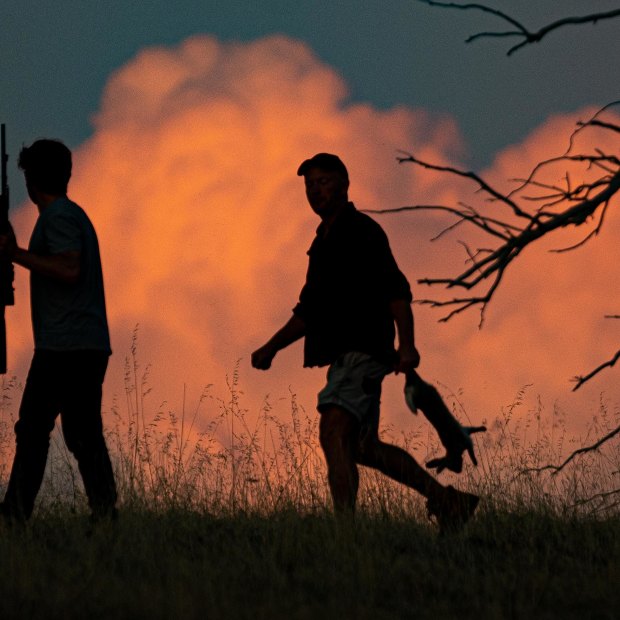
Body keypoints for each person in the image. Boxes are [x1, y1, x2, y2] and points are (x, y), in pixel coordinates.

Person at [252, 153, 478, 531]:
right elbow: (311, 310)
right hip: (350, 356)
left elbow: (396, 291)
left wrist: (407, 345)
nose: (315, 190)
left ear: (344, 184)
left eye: (323, 181)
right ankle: (447, 501)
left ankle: (345, 534)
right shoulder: (324, 240)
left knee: (333, 429)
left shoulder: (360, 231)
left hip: (363, 351)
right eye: (309, 185)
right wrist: (272, 347)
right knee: (361, 447)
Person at [0, 139, 117, 524]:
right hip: (76, 344)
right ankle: (101, 514)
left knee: (42, 430)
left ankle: (18, 515)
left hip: (68, 346)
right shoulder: (68, 214)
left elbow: (69, 269)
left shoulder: (60, 218)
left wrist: (15, 254)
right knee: (72, 431)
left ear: (31, 180)